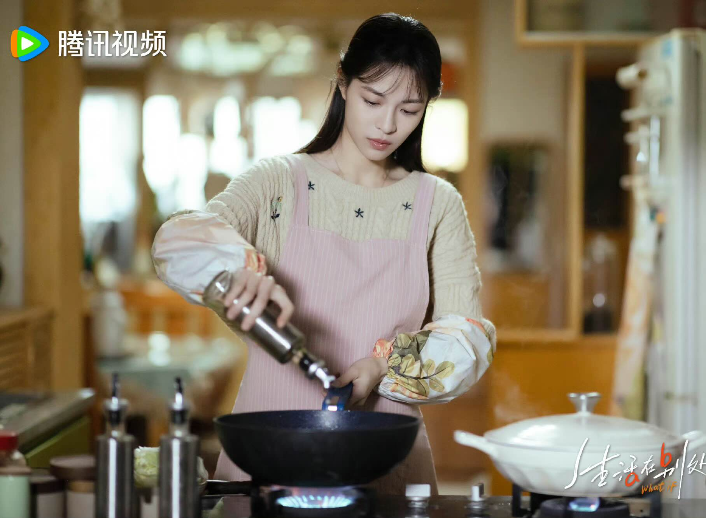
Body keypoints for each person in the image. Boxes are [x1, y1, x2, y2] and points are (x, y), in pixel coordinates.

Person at [152, 13, 496, 495]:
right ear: (342, 82)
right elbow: (176, 240)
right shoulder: (277, 183)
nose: (388, 124)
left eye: (409, 109)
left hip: (385, 453)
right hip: (268, 443)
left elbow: (468, 336)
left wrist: (383, 367)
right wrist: (237, 270)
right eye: (372, 100)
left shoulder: (437, 204)